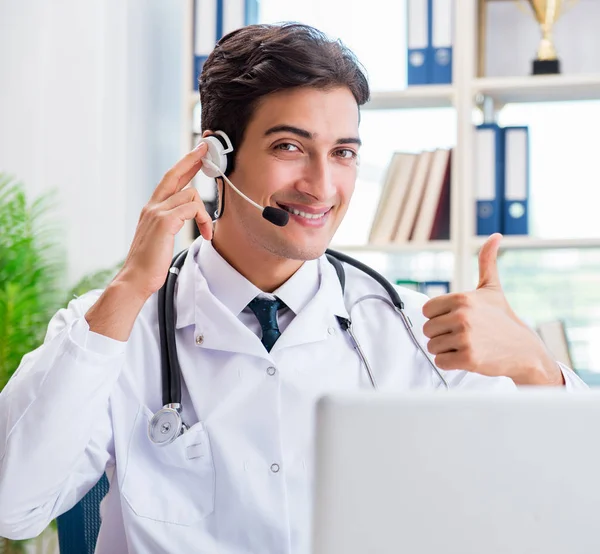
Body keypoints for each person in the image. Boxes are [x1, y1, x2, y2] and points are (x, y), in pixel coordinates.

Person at [0, 22, 587, 553]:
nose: (322, 185)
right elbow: (13, 507)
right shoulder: (114, 328)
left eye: (343, 153)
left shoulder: (415, 327)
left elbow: (574, 496)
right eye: (290, 147)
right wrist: (130, 288)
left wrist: (536, 367)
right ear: (215, 156)